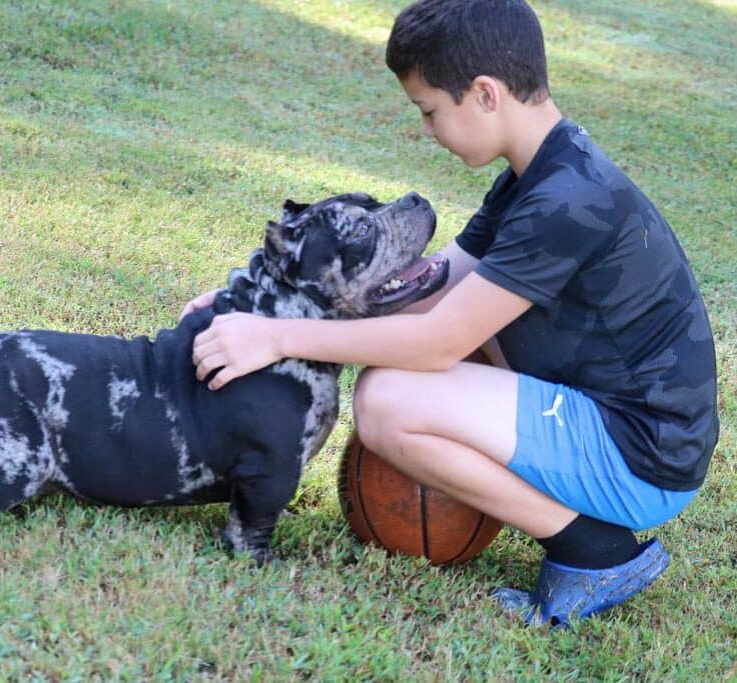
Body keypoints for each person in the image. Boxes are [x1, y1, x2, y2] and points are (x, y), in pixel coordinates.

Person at [183, 0, 718, 627]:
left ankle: (596, 553)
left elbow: (436, 340)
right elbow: (434, 284)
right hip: (615, 419)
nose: (427, 129)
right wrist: (256, 306)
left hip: (641, 456)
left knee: (389, 402)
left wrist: (277, 337)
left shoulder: (566, 201)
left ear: (485, 94)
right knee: (413, 367)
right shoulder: (541, 172)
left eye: (430, 110)